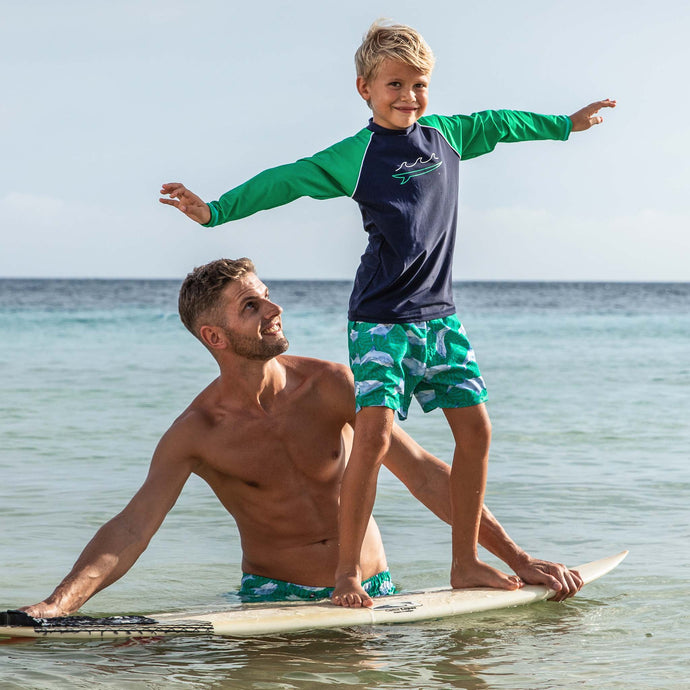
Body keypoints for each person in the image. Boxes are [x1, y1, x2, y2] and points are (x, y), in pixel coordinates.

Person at [159, 20, 615, 607]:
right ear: (364, 89)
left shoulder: (447, 135)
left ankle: (465, 562)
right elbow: (288, 180)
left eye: (419, 85)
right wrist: (217, 211)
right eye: (394, 84)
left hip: (439, 316)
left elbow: (500, 124)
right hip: (378, 318)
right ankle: (348, 573)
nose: (408, 97)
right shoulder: (358, 155)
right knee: (371, 439)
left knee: (476, 431)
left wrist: (564, 126)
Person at [21, 259, 582, 618]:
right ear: (214, 336)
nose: (274, 307)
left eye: (266, 294)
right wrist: (57, 605)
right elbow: (131, 527)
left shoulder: (333, 385)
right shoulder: (198, 433)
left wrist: (518, 557)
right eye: (252, 305)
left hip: (370, 590)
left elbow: (427, 476)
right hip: (273, 600)